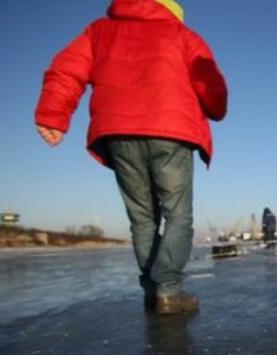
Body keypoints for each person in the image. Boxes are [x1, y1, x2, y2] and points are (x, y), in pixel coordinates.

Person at [34, 0, 228, 315]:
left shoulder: (99, 31)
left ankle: (153, 291)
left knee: (142, 219)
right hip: (171, 131)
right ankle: (168, 289)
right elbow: (211, 82)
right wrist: (216, 108)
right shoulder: (182, 34)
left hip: (118, 133)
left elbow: (66, 69)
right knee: (178, 215)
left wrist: (52, 115)